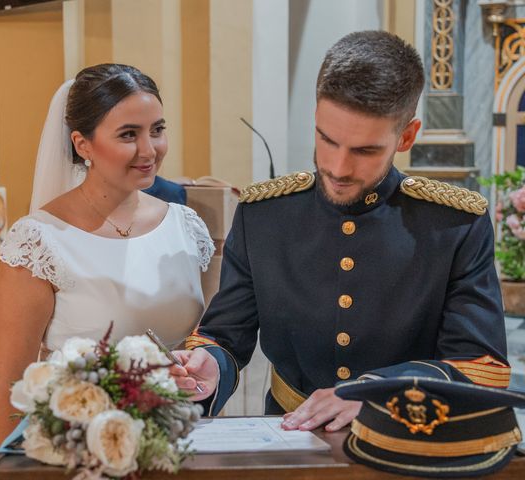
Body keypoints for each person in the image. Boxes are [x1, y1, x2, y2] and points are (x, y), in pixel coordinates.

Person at [170, 31, 509, 431]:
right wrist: (209, 365)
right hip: (289, 434)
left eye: (365, 150)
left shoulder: (454, 225)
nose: (339, 167)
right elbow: (225, 335)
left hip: (406, 440)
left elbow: (480, 365)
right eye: (326, 139)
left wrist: (379, 391)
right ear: (315, 116)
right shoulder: (264, 215)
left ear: (407, 136)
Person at [0, 64, 214, 447]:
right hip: (86, 450)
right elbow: (9, 389)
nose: (149, 150)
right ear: (83, 144)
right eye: (129, 134)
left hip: (183, 439)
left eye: (157, 130)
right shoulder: (39, 241)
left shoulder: (185, 226)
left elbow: (202, 338)